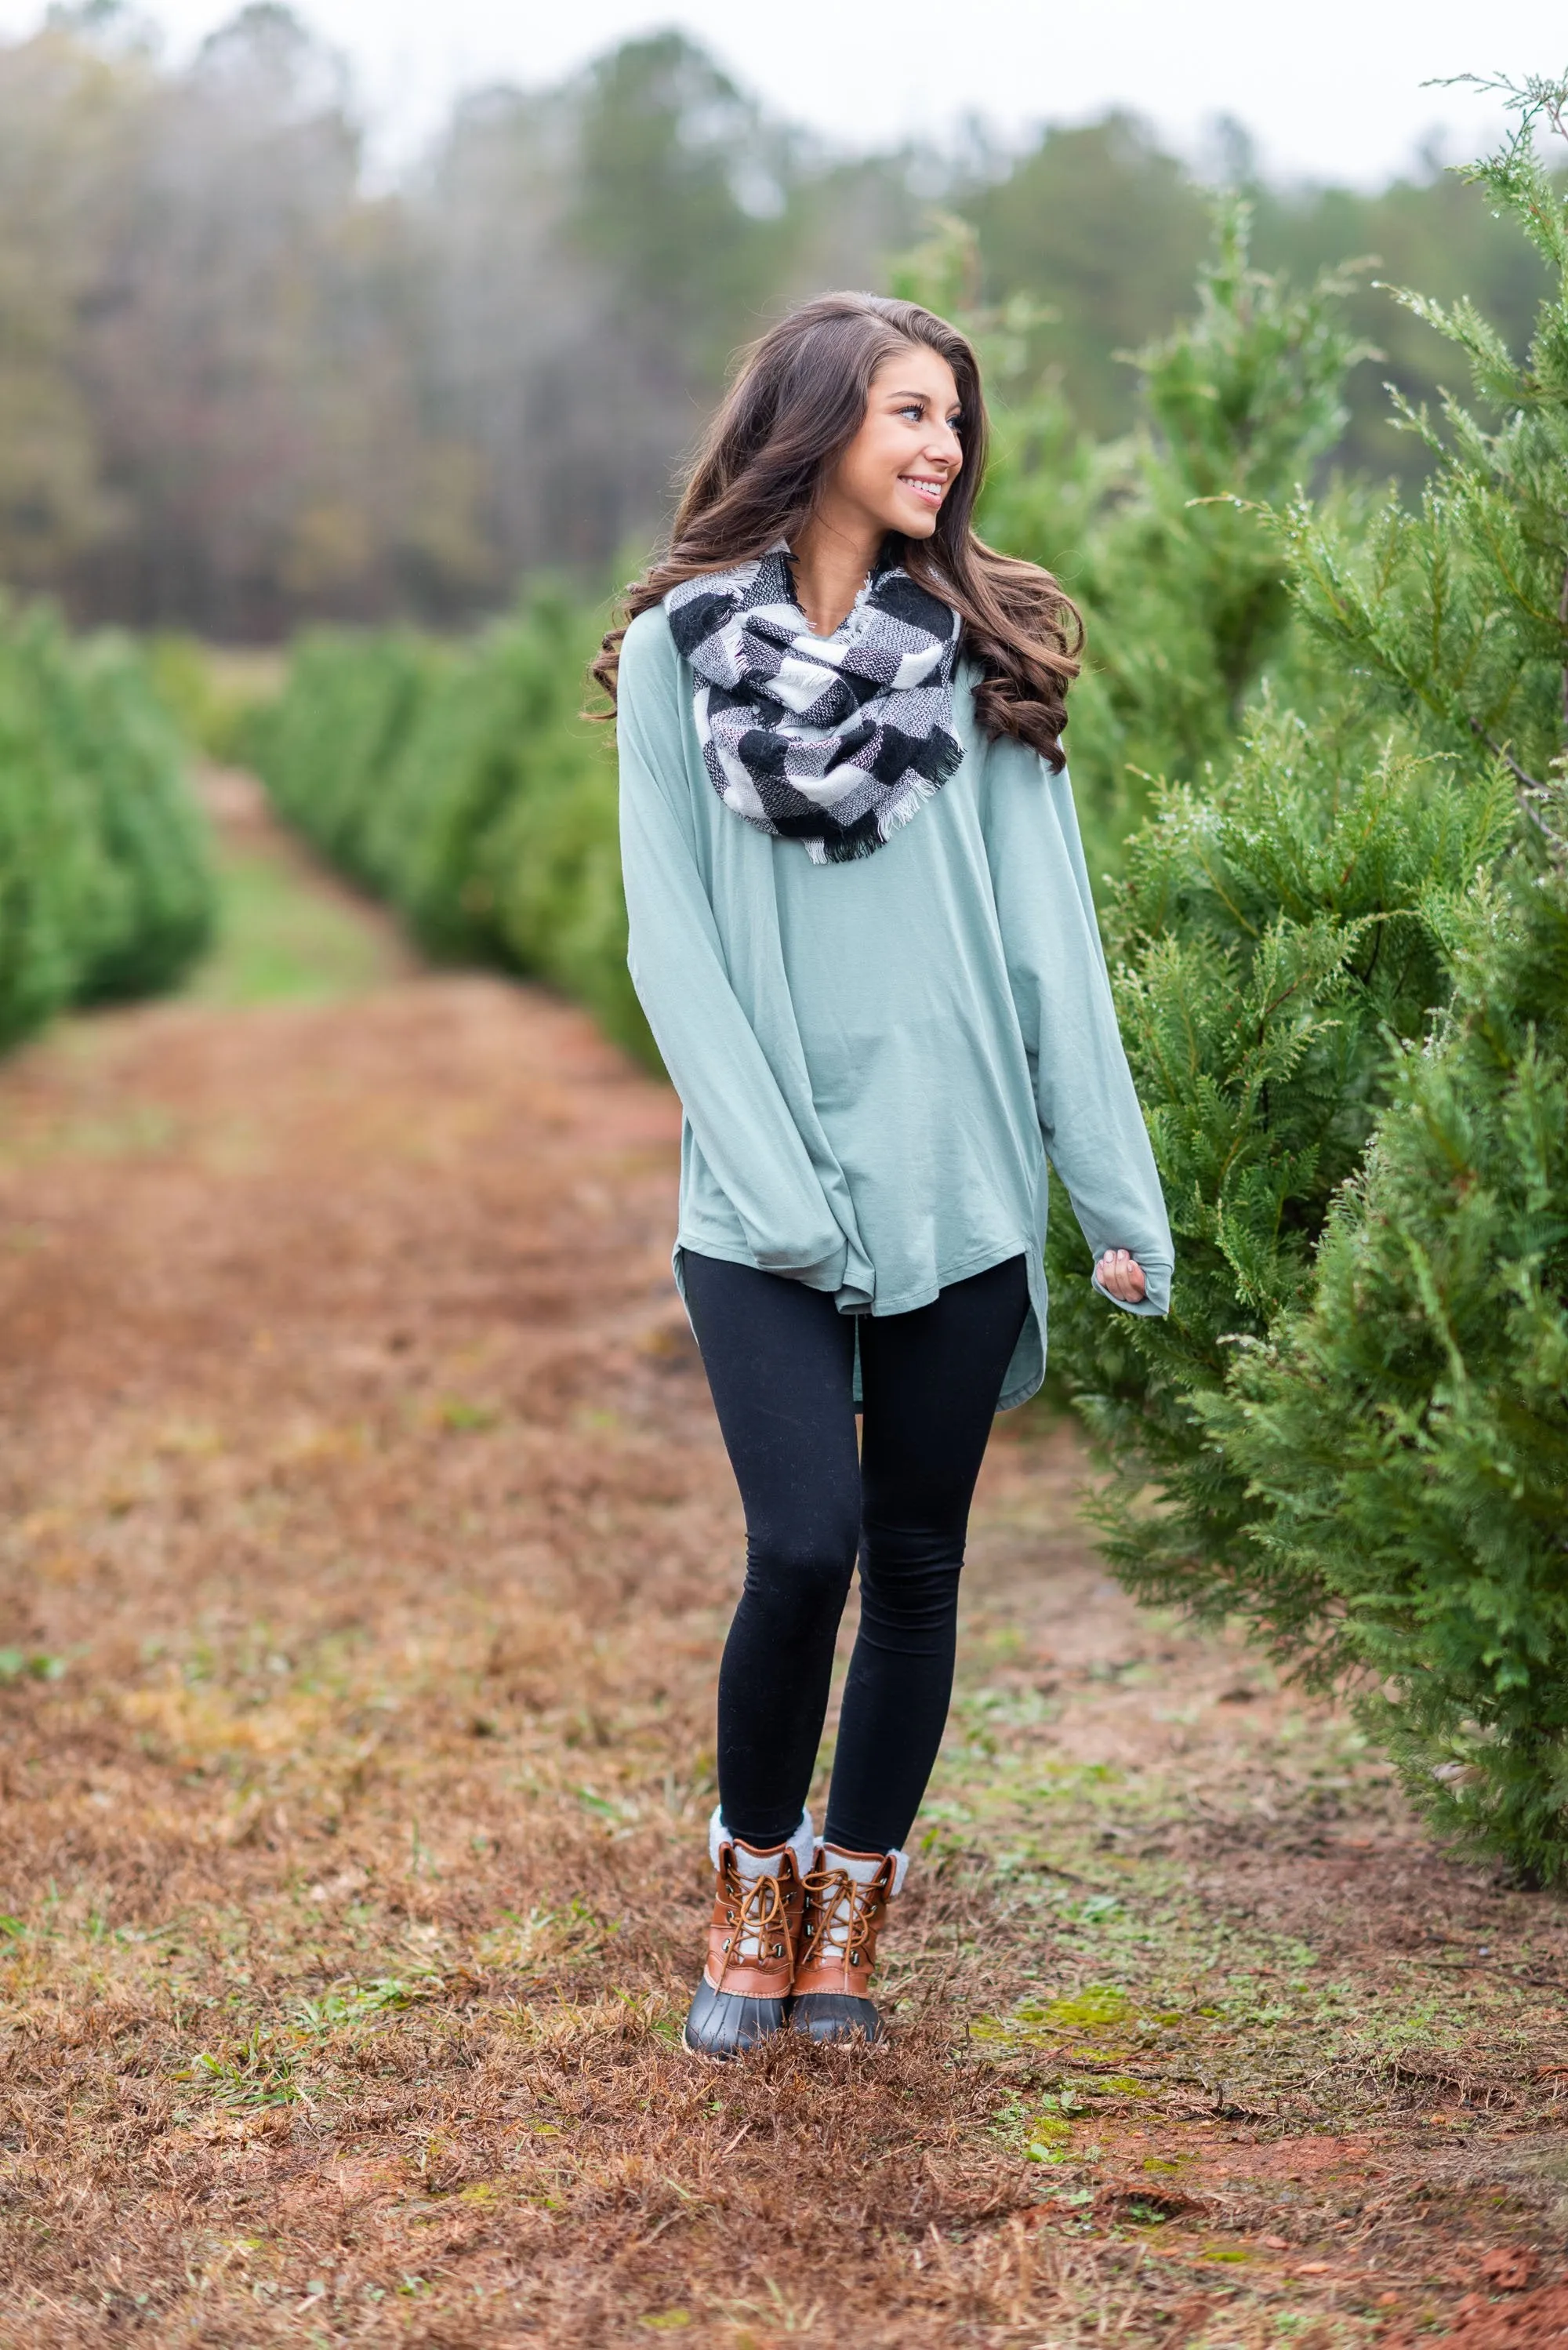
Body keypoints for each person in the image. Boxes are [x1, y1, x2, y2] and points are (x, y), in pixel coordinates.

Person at [594, 292, 1173, 2058]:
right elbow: (669, 942)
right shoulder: (680, 653)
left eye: (953, 420)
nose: (941, 446)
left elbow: (1048, 956)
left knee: (916, 1556)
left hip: (955, 1183)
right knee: (803, 1542)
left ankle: (849, 1918)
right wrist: (764, 1173)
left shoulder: (978, 660)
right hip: (760, 1187)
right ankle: (746, 1886)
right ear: (816, 419)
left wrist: (1113, 1200)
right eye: (908, 413)